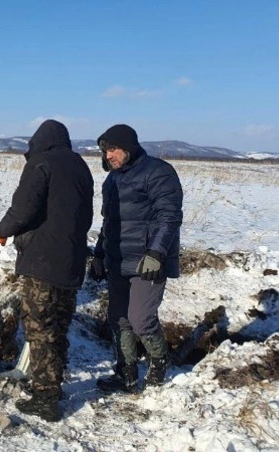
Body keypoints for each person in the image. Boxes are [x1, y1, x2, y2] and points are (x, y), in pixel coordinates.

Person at [0, 119, 94, 422]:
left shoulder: (41, 163)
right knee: (59, 327)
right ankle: (52, 384)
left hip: (43, 261)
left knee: (40, 328)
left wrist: (2, 232)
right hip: (71, 259)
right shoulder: (81, 167)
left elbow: (24, 207)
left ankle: (46, 397)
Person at [90, 124, 183, 393]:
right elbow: (109, 222)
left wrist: (156, 253)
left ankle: (159, 363)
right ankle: (126, 373)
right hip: (118, 259)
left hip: (147, 261)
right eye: (105, 151)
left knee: (141, 317)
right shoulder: (113, 180)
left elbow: (169, 216)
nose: (108, 156)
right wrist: (99, 254)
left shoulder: (159, 172)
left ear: (128, 148)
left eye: (112, 149)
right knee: (118, 318)